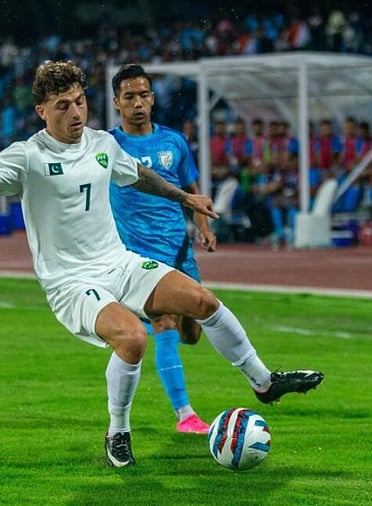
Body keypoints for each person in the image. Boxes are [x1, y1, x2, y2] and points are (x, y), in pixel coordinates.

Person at [0, 60, 324, 468]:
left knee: (202, 302)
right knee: (133, 339)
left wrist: (185, 198)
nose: (76, 113)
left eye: (80, 102)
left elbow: (139, 176)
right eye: (63, 106)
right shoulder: (28, 156)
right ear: (41, 110)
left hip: (119, 263)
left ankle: (264, 382)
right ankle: (118, 431)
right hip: (70, 283)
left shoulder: (102, 145)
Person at [107, 64, 213, 435]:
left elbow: (191, 186)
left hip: (179, 250)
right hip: (138, 256)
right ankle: (185, 415)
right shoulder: (108, 145)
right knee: (164, 321)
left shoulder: (174, 142)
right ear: (116, 102)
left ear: (152, 98)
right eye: (129, 97)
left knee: (192, 331)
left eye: (144, 95)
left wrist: (202, 226)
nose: (138, 103)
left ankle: (155, 329)